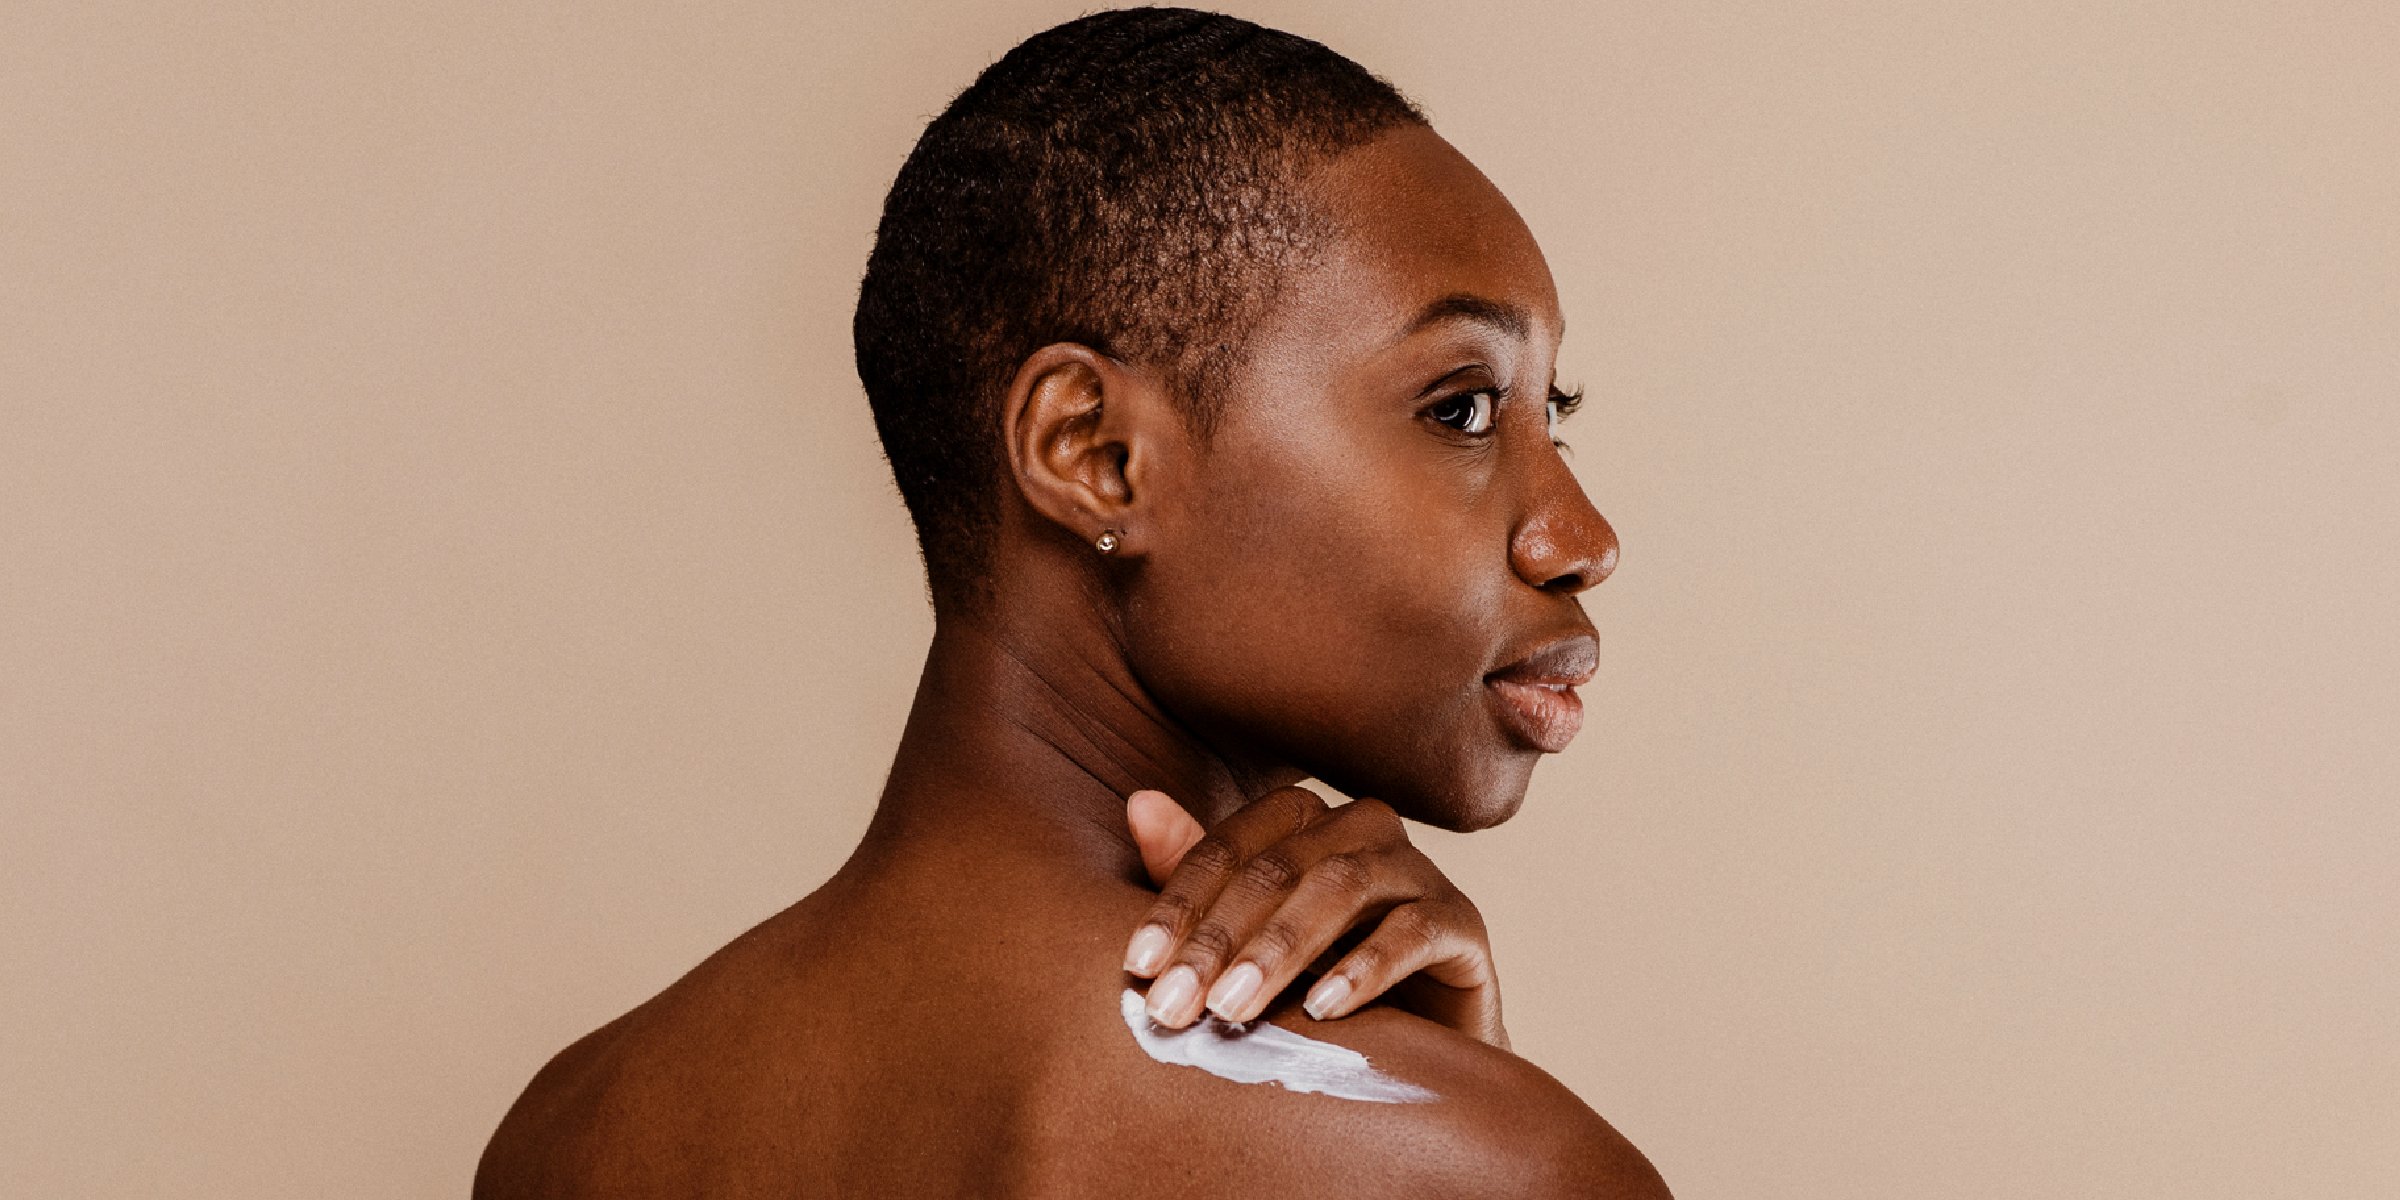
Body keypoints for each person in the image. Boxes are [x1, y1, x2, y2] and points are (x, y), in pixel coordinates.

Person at [476, 8, 1666, 1196]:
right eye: (1460, 407)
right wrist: (1479, 1130)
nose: (1583, 541)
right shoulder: (1495, 1166)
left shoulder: (568, 1132)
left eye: (1552, 415)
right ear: (1094, 454)